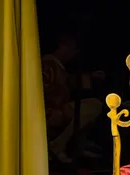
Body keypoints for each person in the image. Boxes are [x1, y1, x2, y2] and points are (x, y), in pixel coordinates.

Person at [42, 32, 104, 164]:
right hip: (49, 112)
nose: (73, 53)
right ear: (62, 46)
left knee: (94, 106)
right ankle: (58, 145)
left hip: (57, 109)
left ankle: (76, 145)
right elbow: (48, 89)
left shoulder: (56, 65)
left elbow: (66, 81)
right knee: (92, 107)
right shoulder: (48, 64)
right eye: (71, 48)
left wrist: (89, 77)